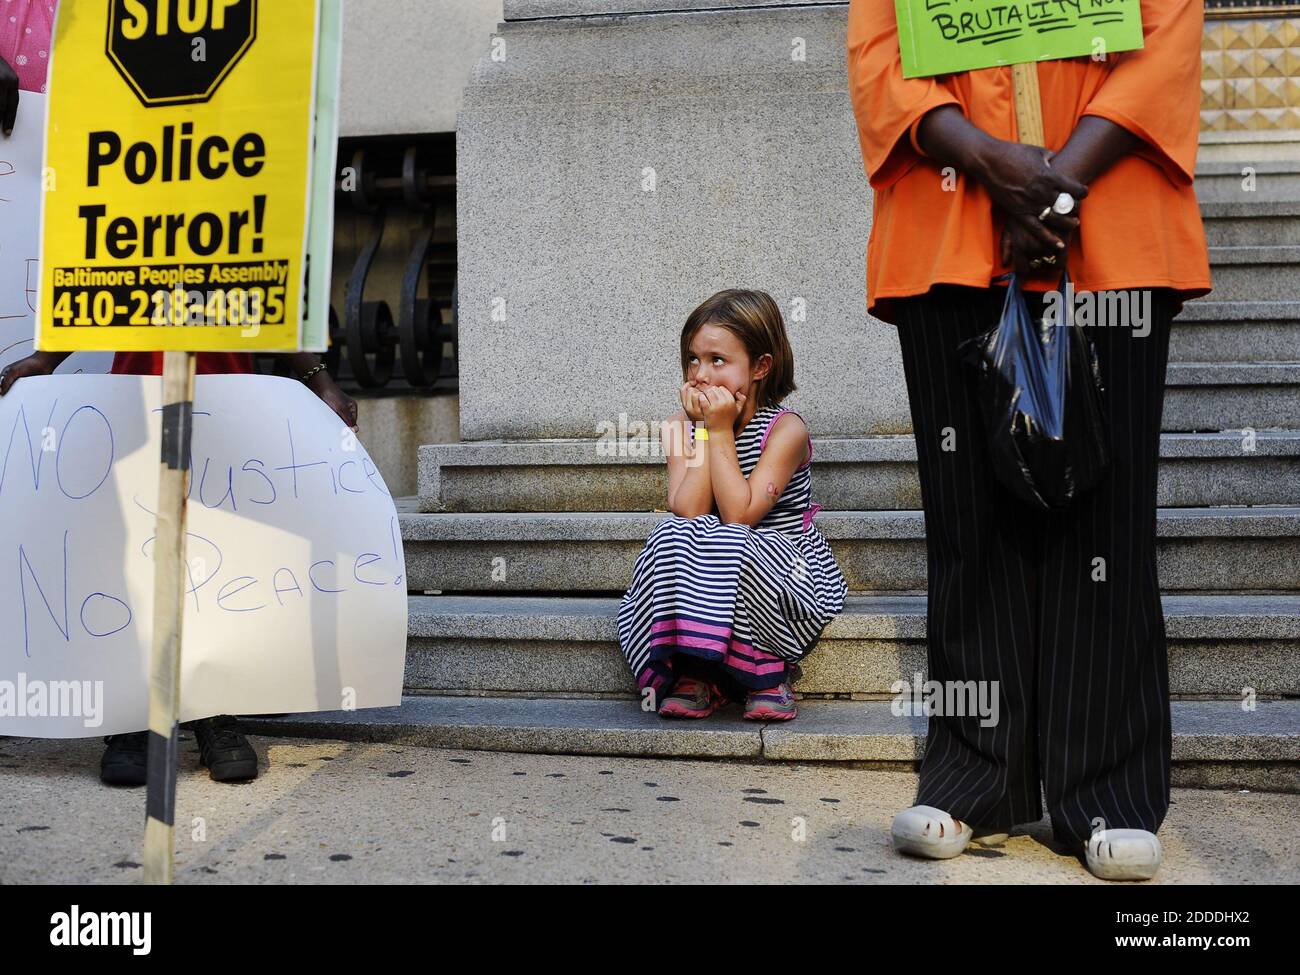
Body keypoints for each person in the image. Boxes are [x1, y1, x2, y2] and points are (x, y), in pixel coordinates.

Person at [847, 0, 1213, 880]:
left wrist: (1053, 181)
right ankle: (973, 775)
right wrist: (989, 162)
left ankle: (1110, 794)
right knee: (968, 519)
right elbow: (879, 52)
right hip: (948, 221)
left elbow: (1167, 40)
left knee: (1107, 522)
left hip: (1111, 220)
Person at [1, 0, 360, 786]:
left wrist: (314, 374)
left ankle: (214, 712)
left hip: (226, 395)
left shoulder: (237, 160)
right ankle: (130, 718)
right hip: (135, 387)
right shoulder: (127, 150)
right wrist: (49, 358)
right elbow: (90, 259)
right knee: (132, 549)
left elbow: (270, 271)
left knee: (218, 551)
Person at [617, 289, 848, 721]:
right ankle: (699, 672)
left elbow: (742, 515)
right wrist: (703, 431)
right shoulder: (677, 427)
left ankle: (766, 672)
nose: (700, 374)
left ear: (760, 366)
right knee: (672, 533)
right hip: (714, 563)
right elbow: (688, 508)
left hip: (783, 567)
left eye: (717, 360)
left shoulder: (786, 431)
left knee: (733, 540)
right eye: (692, 359)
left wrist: (720, 432)